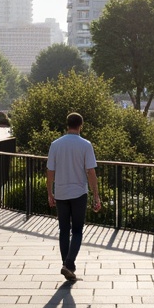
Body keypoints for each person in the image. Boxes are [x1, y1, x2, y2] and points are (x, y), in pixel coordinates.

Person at [45, 112, 101, 282]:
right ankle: (69, 264)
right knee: (77, 230)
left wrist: (50, 192)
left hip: (61, 192)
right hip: (78, 193)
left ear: (67, 124)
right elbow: (91, 171)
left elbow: (50, 171)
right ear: (80, 125)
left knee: (63, 230)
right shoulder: (85, 145)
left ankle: (65, 264)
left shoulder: (56, 144)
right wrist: (96, 196)